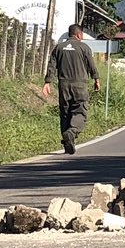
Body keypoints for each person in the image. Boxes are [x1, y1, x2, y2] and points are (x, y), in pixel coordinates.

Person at [43, 22, 99, 155]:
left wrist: (47, 82)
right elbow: (91, 65)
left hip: (64, 85)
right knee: (80, 111)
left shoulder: (59, 48)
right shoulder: (84, 47)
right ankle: (72, 132)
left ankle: (68, 141)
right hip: (80, 85)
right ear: (79, 34)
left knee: (65, 112)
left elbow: (51, 65)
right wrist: (96, 78)